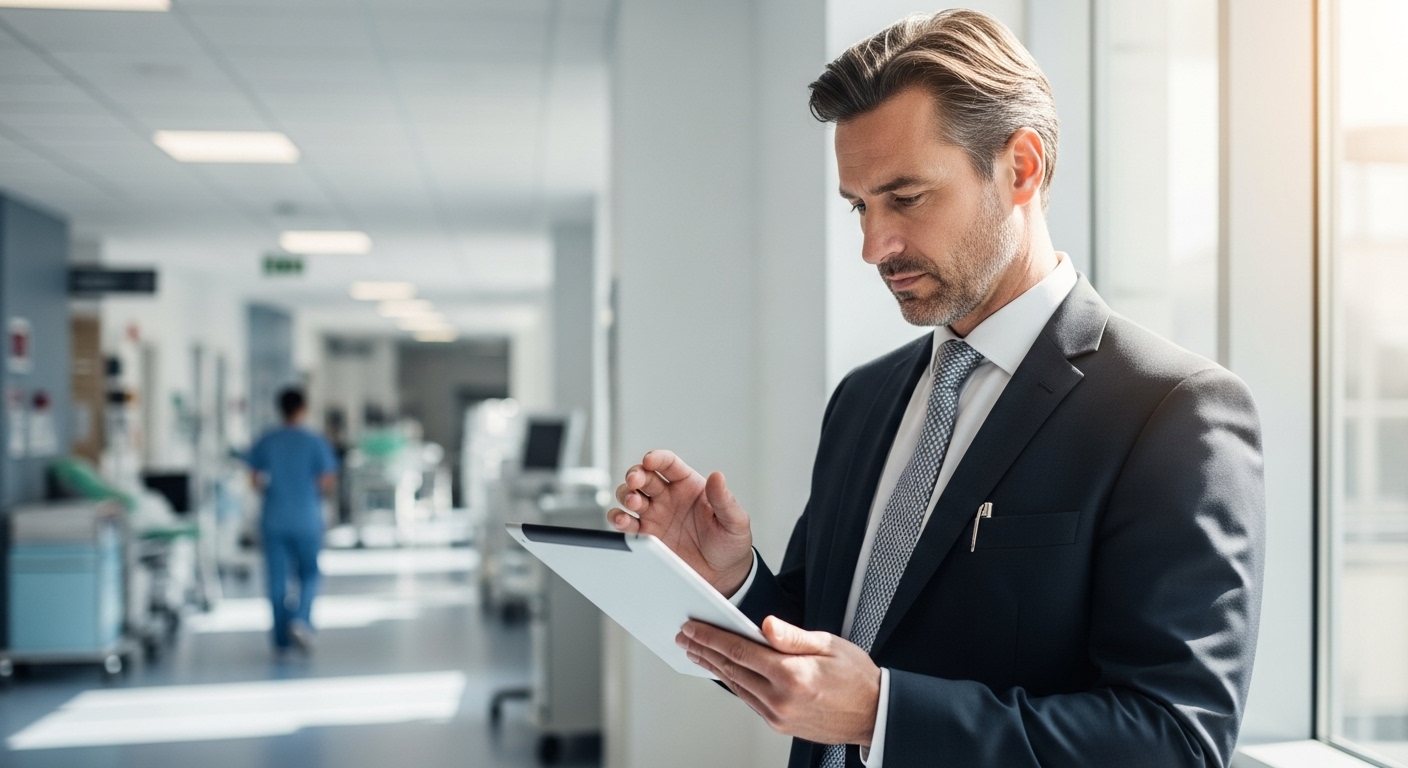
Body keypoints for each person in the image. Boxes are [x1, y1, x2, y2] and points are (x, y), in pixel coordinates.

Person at [609, 10, 1264, 768]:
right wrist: (735, 581)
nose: (872, 246)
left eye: (907, 198)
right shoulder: (864, 400)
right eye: (860, 205)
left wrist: (886, 714)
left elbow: (1175, 741)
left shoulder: (1171, 411)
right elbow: (830, 654)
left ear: (1021, 167)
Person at [246, 388, 337, 656]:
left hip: (274, 517)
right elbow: (327, 478)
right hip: (306, 517)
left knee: (277, 580)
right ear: (303, 409)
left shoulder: (267, 440)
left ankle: (281, 641)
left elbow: (253, 479)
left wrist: (274, 489)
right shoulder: (314, 441)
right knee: (309, 573)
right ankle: (300, 619)